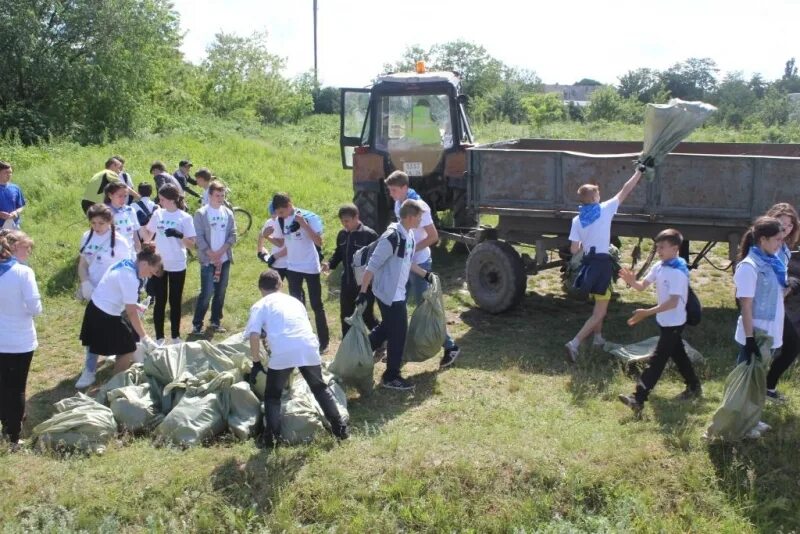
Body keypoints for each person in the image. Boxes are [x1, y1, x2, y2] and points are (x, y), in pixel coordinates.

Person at [246, 270, 348, 446]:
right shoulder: (295, 301)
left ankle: (271, 438)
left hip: (283, 351)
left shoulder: (260, 305)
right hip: (308, 346)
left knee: (272, 396)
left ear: (260, 288)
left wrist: (256, 363)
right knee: (319, 389)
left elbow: (254, 336)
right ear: (281, 284)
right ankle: (340, 430)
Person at [563, 165, 644, 364]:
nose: (600, 196)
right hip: (602, 266)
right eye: (598, 193)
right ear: (593, 198)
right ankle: (574, 343)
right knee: (601, 311)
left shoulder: (576, 219)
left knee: (599, 304)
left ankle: (598, 339)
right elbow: (626, 189)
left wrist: (586, 241)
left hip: (588, 267)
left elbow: (574, 250)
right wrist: (639, 172)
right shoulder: (604, 209)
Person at [617, 229, 703, 416]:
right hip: (664, 321)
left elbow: (673, 303)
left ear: (675, 248)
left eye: (662, 247)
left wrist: (646, 312)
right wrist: (632, 281)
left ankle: (638, 398)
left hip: (674, 323)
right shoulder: (660, 266)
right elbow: (642, 287)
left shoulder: (678, 273)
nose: (658, 251)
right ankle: (694, 387)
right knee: (679, 355)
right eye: (657, 247)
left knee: (657, 360)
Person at [384, 171, 460, 368]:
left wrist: (409, 250)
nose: (390, 194)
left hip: (419, 264)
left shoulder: (420, 207)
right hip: (404, 264)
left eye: (393, 190)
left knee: (425, 308)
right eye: (390, 190)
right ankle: (398, 352)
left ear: (404, 188)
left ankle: (450, 347)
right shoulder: (399, 203)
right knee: (398, 306)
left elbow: (433, 236)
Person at [357, 199, 435, 390]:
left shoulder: (409, 235)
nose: (420, 221)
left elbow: (407, 263)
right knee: (399, 333)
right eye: (418, 217)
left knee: (387, 328)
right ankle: (391, 376)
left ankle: (359, 352)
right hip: (388, 294)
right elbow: (372, 266)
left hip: (397, 292)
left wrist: (426, 275)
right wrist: (362, 291)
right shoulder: (391, 238)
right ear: (409, 217)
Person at [76, 244, 162, 389]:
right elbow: (131, 314)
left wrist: (135, 305)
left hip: (95, 308)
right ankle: (114, 386)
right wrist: (145, 338)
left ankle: (97, 374)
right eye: (151, 272)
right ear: (144, 263)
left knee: (109, 342)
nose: (150, 275)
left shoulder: (125, 263)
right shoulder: (130, 278)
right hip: (105, 314)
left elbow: (116, 292)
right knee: (128, 348)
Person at [271, 193, 329, 352]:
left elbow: (319, 241)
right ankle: (302, 336)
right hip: (293, 267)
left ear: (290, 205)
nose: (279, 215)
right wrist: (273, 254)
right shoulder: (280, 220)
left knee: (317, 304)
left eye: (281, 212)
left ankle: (324, 341)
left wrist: (303, 224)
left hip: (310, 266)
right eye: (277, 213)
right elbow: (286, 244)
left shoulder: (307, 217)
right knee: (297, 305)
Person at [0, 230, 41, 452]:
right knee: (16, 388)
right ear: (13, 248)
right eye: (27, 247)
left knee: (2, 384)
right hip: (18, 339)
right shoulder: (23, 273)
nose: (29, 251)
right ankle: (13, 437)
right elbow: (35, 307)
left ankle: (6, 423)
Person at [144, 183, 196, 345]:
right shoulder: (158, 214)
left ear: (172, 199)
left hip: (177, 264)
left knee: (174, 301)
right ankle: (159, 337)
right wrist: (147, 245)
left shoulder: (185, 217)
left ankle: (175, 336)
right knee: (160, 301)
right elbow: (147, 233)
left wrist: (179, 235)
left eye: (162, 199)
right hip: (160, 264)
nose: (159, 202)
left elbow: (192, 244)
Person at [734, 216, 787, 365]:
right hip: (757, 334)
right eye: (777, 239)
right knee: (745, 386)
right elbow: (746, 305)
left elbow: (777, 296)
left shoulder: (774, 262)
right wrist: (750, 339)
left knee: (756, 383)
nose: (780, 244)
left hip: (771, 332)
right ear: (763, 240)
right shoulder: (748, 267)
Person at [323, 203, 379, 337]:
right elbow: (338, 254)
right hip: (347, 282)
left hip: (365, 285)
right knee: (345, 316)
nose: (344, 224)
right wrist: (329, 264)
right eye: (342, 221)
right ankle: (347, 348)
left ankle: (382, 342)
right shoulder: (342, 234)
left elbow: (378, 259)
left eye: (347, 221)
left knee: (366, 315)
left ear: (356, 217)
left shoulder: (369, 235)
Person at [763, 203, 800, 403]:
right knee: (757, 353)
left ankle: (767, 387)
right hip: (763, 306)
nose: (786, 228)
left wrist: (788, 286)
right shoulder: (767, 246)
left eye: (790, 225)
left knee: (791, 345)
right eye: (781, 223)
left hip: (777, 304)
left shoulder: (784, 247)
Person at [192, 180, 237, 335]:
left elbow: (233, 235)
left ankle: (215, 321)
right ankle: (197, 324)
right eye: (217, 195)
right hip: (208, 260)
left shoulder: (228, 212)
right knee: (207, 292)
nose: (220, 198)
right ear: (210, 195)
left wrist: (221, 252)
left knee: (220, 291)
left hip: (223, 260)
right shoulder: (201, 213)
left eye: (222, 195)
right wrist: (212, 254)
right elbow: (199, 237)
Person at [77, 204, 133, 303]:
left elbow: (126, 270)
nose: (96, 227)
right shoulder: (86, 237)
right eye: (93, 223)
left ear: (109, 221)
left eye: (101, 223)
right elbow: (82, 264)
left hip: (112, 292)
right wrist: (85, 283)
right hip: (92, 290)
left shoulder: (120, 241)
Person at [105, 182, 142, 255]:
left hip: (130, 254)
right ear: (110, 195)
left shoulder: (130, 210)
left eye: (125, 196)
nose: (123, 199)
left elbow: (135, 236)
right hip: (112, 256)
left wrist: (139, 254)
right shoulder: (104, 212)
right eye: (120, 196)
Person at [0, 161, 25, 230]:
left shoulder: (15, 188)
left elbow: (21, 206)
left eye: (10, 172)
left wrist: (16, 212)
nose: (9, 175)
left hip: (14, 226)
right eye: (6, 172)